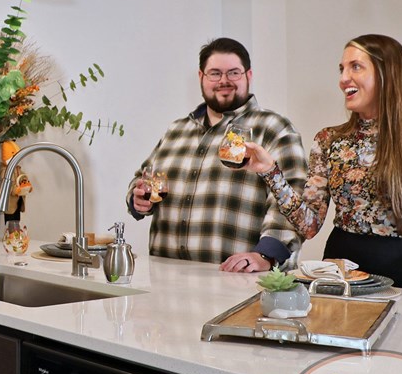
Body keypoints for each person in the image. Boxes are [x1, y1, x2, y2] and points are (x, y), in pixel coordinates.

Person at [245, 34, 402, 305]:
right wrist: (270, 171)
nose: (343, 78)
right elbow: (310, 224)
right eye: (342, 69)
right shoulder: (328, 139)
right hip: (339, 273)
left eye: (356, 67)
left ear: (388, 73)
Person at [126, 37, 308, 272]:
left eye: (233, 73)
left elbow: (293, 197)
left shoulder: (274, 128)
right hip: (168, 277)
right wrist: (138, 197)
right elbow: (143, 179)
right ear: (201, 77)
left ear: (248, 76)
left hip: (236, 280)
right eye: (215, 73)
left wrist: (266, 254)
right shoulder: (177, 130)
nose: (224, 81)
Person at [0, 140, 33, 223]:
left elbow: (23, 177)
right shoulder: (5, 171)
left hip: (18, 201)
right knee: (10, 222)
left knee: (17, 221)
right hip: (10, 203)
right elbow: (5, 185)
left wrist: (28, 186)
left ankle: (16, 234)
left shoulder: (17, 168)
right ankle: (11, 234)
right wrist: (15, 190)